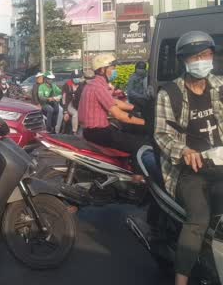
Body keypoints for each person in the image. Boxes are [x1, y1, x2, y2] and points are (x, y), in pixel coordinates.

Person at [154, 31, 223, 285]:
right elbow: (162, 135)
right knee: (199, 218)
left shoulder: (220, 86)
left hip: (219, 164)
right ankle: (181, 279)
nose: (201, 60)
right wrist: (184, 151)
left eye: (205, 55)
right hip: (187, 169)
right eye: (195, 57)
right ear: (184, 61)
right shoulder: (169, 94)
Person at [78, 54, 161, 184]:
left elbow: (114, 101)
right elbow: (119, 116)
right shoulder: (98, 87)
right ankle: (138, 179)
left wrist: (134, 107)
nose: (114, 70)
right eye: (112, 67)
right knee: (141, 142)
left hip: (93, 131)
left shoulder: (94, 84)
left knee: (128, 134)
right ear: (102, 70)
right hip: (98, 133)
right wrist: (148, 123)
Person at [61, 70, 82, 135]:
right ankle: (74, 131)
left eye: (78, 77)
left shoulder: (82, 85)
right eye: (75, 77)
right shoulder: (67, 85)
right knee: (75, 114)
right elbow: (64, 99)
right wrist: (65, 111)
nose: (77, 79)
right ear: (72, 78)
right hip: (69, 104)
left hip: (79, 104)